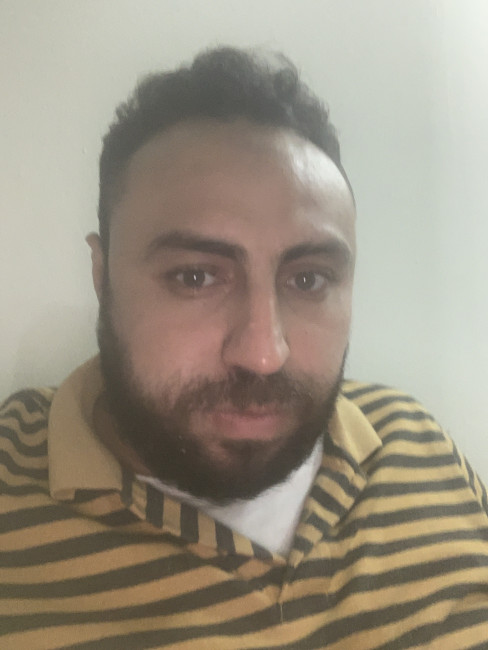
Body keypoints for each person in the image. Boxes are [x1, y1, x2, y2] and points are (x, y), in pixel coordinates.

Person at [1, 47, 487, 649]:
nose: (263, 354)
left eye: (307, 279)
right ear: (102, 276)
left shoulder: (417, 444)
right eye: (196, 277)